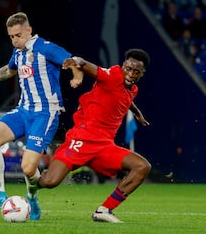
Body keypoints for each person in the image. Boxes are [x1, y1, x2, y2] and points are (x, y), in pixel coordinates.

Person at [0, 11, 80, 220]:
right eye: (11, 36)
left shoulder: (45, 48)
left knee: (28, 168)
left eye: (18, 35)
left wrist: (76, 75)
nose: (14, 40)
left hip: (45, 113)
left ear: (29, 30)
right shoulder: (18, 53)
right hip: (23, 110)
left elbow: (71, 61)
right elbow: (9, 70)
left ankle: (32, 199)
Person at [38, 48, 152, 223]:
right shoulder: (112, 76)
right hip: (81, 139)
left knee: (142, 167)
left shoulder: (132, 89)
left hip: (104, 146)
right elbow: (89, 67)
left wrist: (137, 113)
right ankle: (33, 183)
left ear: (142, 74)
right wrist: (77, 61)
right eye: (128, 68)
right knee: (50, 181)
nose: (130, 74)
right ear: (123, 66)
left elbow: (126, 98)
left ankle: (104, 210)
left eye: (136, 72)